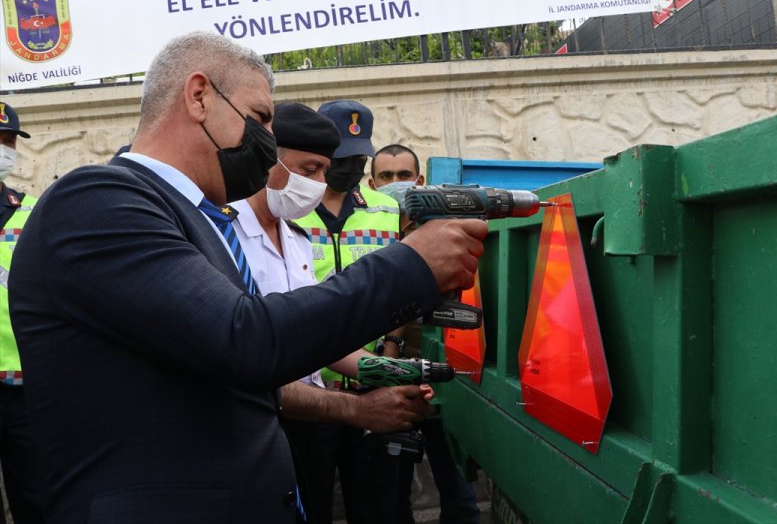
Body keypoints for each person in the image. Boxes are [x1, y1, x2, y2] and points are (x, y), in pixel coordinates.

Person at [7, 31, 487, 523]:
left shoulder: (198, 219)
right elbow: (246, 339)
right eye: (259, 118)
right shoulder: (98, 200)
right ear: (199, 97)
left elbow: (232, 376)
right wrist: (409, 263)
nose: (267, 143)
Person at [230, 101, 430, 523]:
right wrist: (357, 408)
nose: (320, 184)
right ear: (267, 160)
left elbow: (317, 337)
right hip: (265, 424)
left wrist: (393, 372)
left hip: (312, 410)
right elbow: (250, 362)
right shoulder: (225, 234)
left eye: (325, 170)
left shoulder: (296, 239)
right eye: (310, 170)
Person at [295, 100, 407, 523]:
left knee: (374, 507)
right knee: (313, 505)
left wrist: (390, 353)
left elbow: (400, 289)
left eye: (359, 159)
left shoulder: (386, 210)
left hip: (371, 385)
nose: (350, 167)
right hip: (313, 392)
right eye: (341, 158)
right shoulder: (292, 210)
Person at [370, 144, 482, 524]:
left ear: (419, 181)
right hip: (393, 383)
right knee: (392, 495)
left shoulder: (442, 232)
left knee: (458, 492)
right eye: (386, 176)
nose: (396, 183)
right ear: (372, 183)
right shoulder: (371, 233)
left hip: (444, 383)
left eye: (404, 175)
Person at [0, 101, 42, 524]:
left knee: (36, 498)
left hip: (23, 387)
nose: (4, 149)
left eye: (8, 140)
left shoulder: (32, 212)